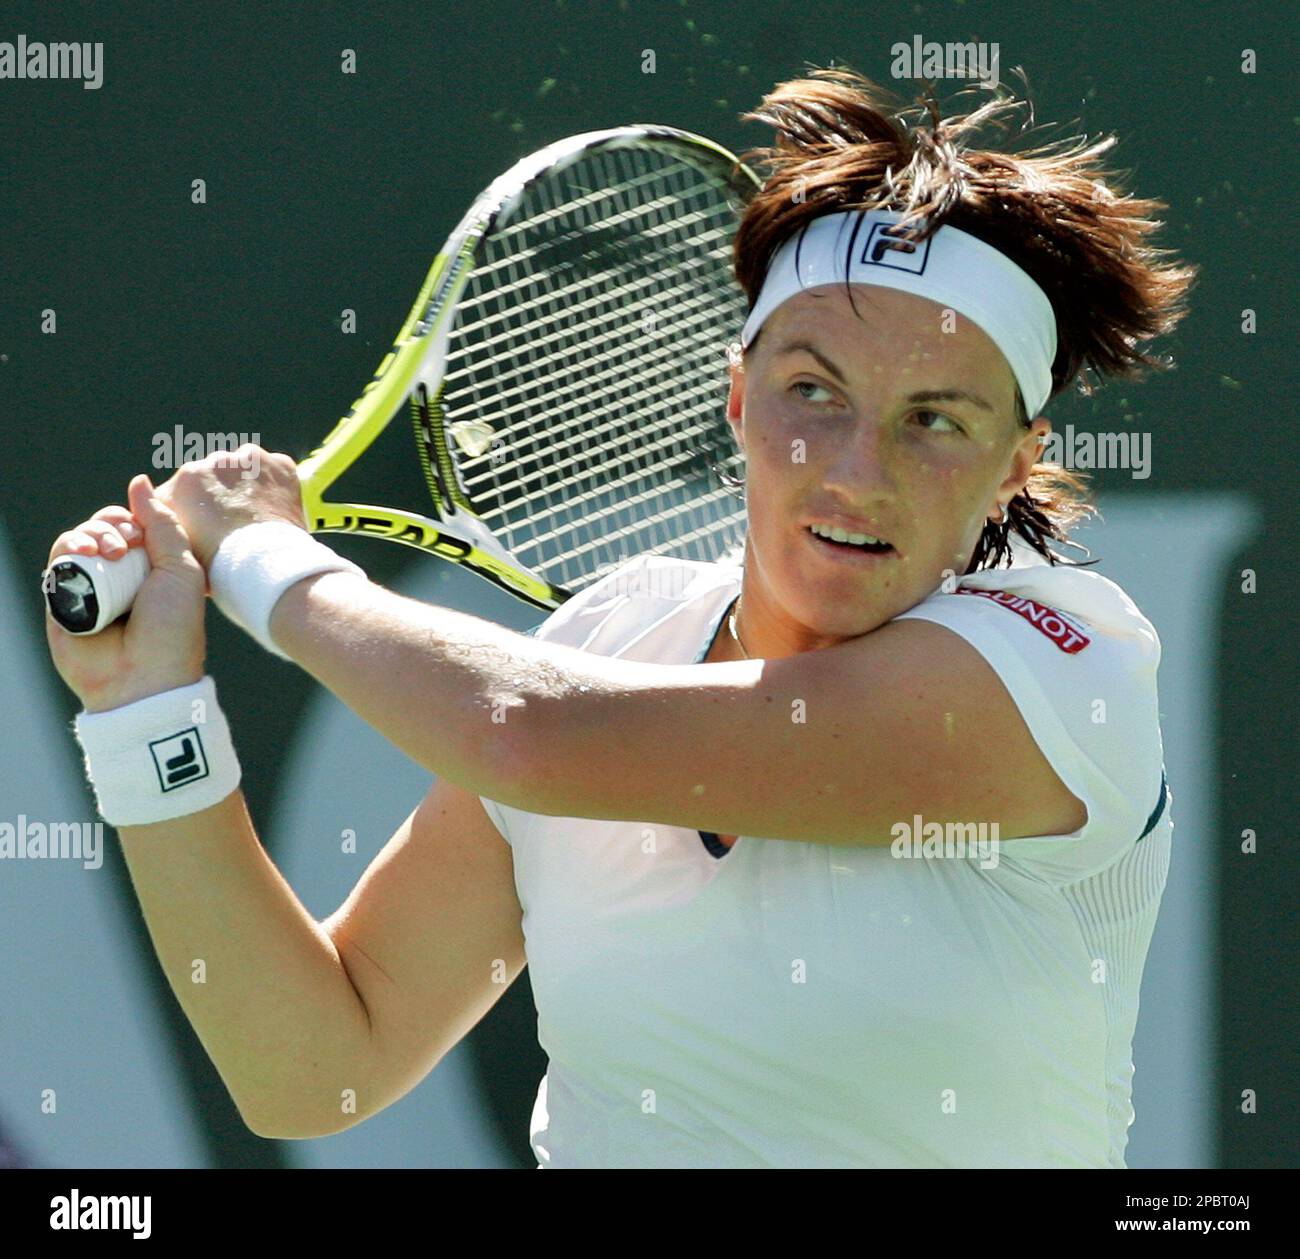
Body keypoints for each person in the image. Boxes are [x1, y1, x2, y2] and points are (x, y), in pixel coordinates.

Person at [45, 68, 1195, 1168]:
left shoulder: (1060, 667)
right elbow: (312, 1066)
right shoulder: (608, 642)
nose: (857, 470)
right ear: (738, 397)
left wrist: (263, 559)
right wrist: (146, 714)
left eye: (934, 418)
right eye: (812, 392)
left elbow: (520, 734)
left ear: (1014, 464)